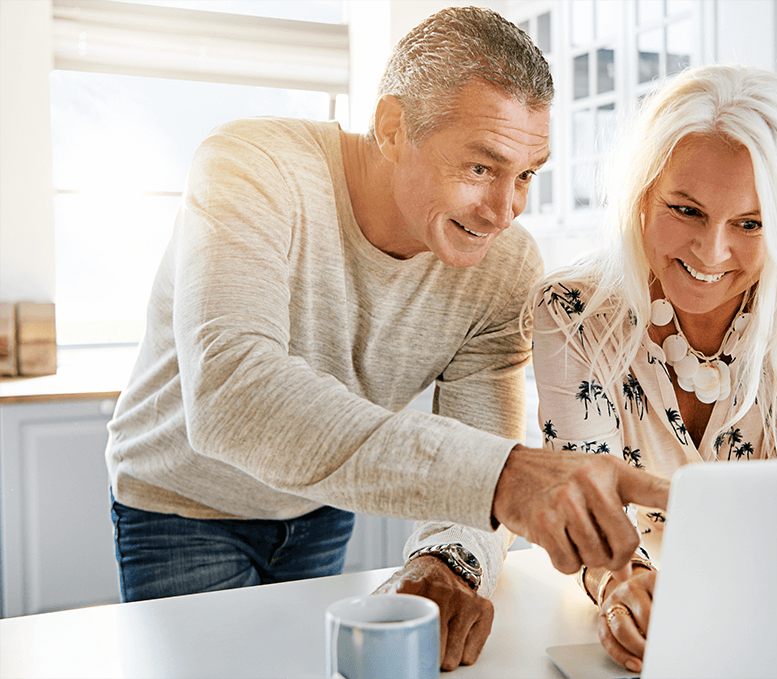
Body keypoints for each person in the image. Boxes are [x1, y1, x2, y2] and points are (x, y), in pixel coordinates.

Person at [105, 6, 668, 672]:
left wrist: (448, 560)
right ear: (394, 126)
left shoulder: (506, 265)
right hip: (182, 504)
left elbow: (480, 444)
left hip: (320, 503)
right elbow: (231, 393)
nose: (504, 211)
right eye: (482, 168)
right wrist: (507, 475)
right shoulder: (251, 169)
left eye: (525, 175)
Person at [528, 64, 777, 674]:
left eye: (750, 224)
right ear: (643, 194)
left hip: (775, 626)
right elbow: (585, 504)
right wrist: (623, 588)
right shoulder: (574, 312)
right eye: (686, 210)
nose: (711, 251)